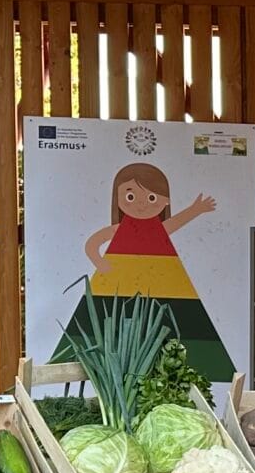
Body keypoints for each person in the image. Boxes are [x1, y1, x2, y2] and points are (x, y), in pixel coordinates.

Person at [56, 162, 234, 382]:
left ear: (165, 201)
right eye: (131, 197)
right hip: (119, 285)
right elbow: (93, 243)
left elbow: (175, 223)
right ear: (118, 199)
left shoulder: (158, 229)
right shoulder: (121, 229)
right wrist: (101, 264)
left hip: (160, 282)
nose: (141, 204)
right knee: (114, 321)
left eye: (151, 198)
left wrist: (196, 210)